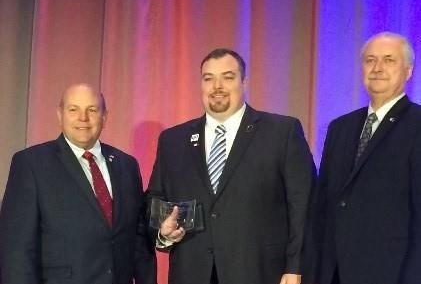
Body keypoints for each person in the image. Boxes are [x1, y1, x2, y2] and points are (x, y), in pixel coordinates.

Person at [147, 48, 315, 284]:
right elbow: (155, 200)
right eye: (208, 78)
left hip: (259, 273)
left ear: (244, 82)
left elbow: (302, 206)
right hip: (191, 273)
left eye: (228, 77)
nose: (217, 86)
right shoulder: (173, 140)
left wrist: (295, 267)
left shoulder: (281, 132)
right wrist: (163, 233)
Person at [0, 83, 157, 284]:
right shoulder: (31, 164)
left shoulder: (126, 165)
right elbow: (16, 250)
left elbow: (138, 239)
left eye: (92, 110)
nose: (83, 118)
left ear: (105, 117)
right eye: (73, 109)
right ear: (60, 115)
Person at [311, 32, 421, 284]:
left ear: (408, 71)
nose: (377, 68)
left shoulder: (417, 125)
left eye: (389, 60)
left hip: (391, 273)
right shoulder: (341, 127)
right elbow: (324, 205)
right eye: (370, 60)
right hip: (334, 271)